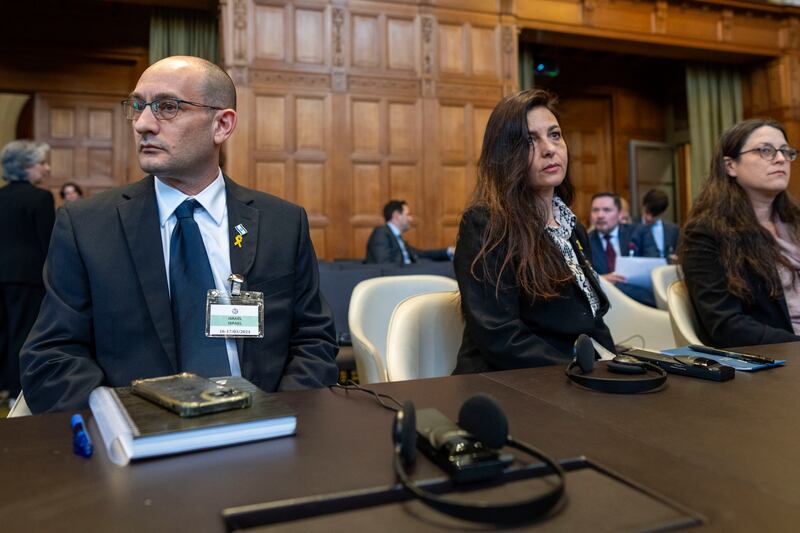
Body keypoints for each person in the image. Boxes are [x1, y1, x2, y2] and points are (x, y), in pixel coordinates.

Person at [20, 56, 338, 413]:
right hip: (141, 448)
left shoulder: (283, 223)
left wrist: (277, 420)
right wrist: (128, 423)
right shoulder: (86, 227)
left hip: (265, 439)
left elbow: (314, 341)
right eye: (138, 106)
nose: (142, 124)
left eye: (167, 107)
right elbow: (51, 357)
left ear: (222, 124)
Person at [453, 88, 615, 374]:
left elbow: (592, 321)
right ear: (505, 154)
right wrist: (583, 373)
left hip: (573, 378)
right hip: (510, 383)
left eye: (555, 135)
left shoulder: (573, 227)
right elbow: (500, 337)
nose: (550, 148)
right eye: (530, 140)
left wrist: (616, 366)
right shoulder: (485, 224)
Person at [680, 118, 800, 348]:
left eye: (786, 151)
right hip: (777, 358)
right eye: (766, 150)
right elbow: (727, 326)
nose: (781, 159)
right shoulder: (707, 232)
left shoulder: (796, 222)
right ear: (730, 166)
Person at [0, 140, 55, 403]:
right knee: (22, 333)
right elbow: (48, 242)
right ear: (26, 167)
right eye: (41, 163)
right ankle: (14, 392)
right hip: (27, 276)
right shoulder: (41, 197)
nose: (46, 169)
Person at [588, 192, 660, 307]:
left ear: (619, 213)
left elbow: (655, 266)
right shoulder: (585, 241)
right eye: (595, 210)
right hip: (605, 303)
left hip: (641, 301)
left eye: (607, 210)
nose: (600, 215)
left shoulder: (639, 232)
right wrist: (601, 279)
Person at [364, 200, 454, 264]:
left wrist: (448, 251)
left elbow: (421, 254)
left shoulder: (397, 238)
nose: (411, 219)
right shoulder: (381, 233)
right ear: (396, 216)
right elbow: (385, 266)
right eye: (408, 214)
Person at [641, 188, 679, 259]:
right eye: (647, 212)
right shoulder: (631, 228)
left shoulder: (673, 230)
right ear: (643, 205)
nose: (648, 218)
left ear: (664, 213)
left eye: (654, 215)